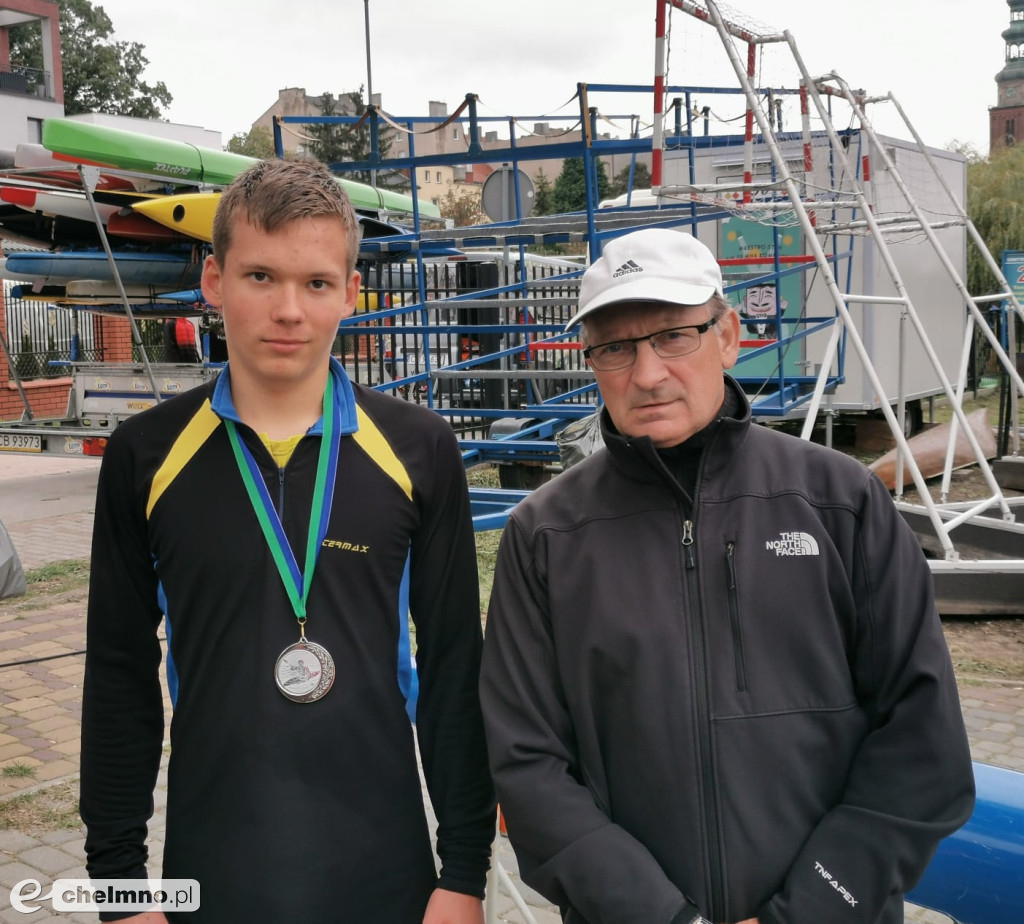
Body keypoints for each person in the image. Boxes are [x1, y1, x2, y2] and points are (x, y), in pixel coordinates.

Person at [479, 227, 975, 924]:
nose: (646, 373)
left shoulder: (841, 503)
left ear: (729, 335)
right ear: (590, 362)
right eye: (616, 347)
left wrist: (810, 910)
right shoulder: (546, 536)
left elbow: (924, 743)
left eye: (673, 336)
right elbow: (528, 765)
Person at [81, 159, 496, 923]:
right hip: (215, 868)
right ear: (214, 280)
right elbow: (118, 677)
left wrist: (463, 872)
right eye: (261, 276)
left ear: (350, 292)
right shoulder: (145, 455)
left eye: (315, 283)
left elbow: (451, 666)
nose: (289, 311)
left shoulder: (417, 448)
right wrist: (118, 892)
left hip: (387, 870)